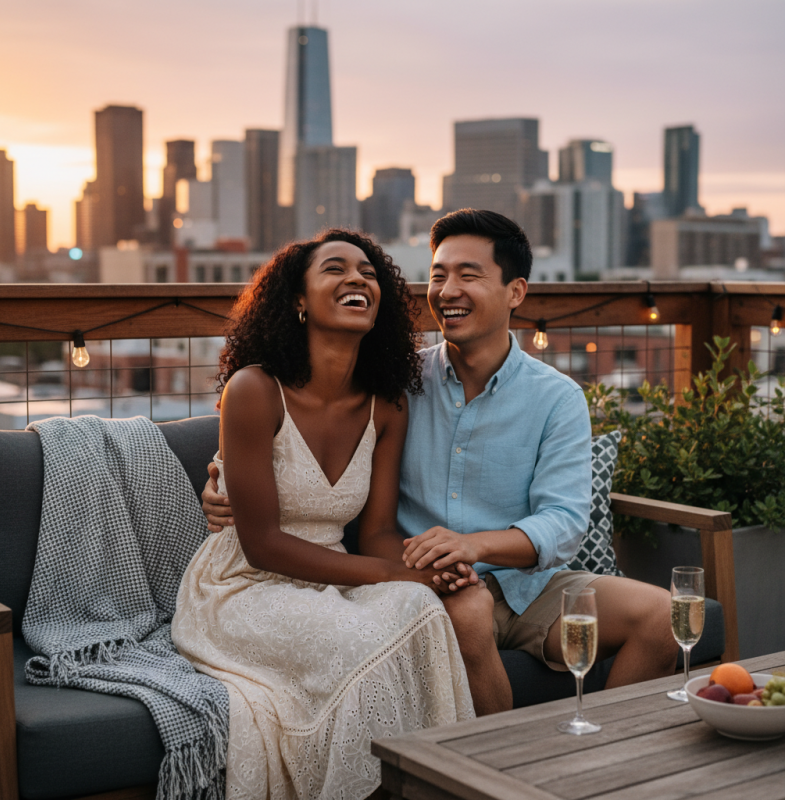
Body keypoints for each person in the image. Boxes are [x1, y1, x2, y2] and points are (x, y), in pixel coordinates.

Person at [203, 209, 679, 719]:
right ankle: (495, 771)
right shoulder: (400, 382)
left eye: (468, 275)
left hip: (528, 585)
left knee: (664, 617)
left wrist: (474, 546)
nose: (447, 290)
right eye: (438, 275)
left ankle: (599, 757)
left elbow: (564, 523)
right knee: (470, 613)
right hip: (426, 577)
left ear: (515, 292)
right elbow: (306, 412)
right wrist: (221, 475)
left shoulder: (558, 397)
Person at [171, 229, 475, 800]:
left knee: (421, 607)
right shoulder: (255, 390)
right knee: (369, 633)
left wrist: (429, 570)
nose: (357, 279)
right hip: (242, 586)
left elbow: (380, 533)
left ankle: (442, 785)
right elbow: (261, 544)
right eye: (334, 269)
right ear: (298, 301)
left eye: (367, 273)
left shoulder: (387, 405)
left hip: (331, 577)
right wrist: (394, 574)